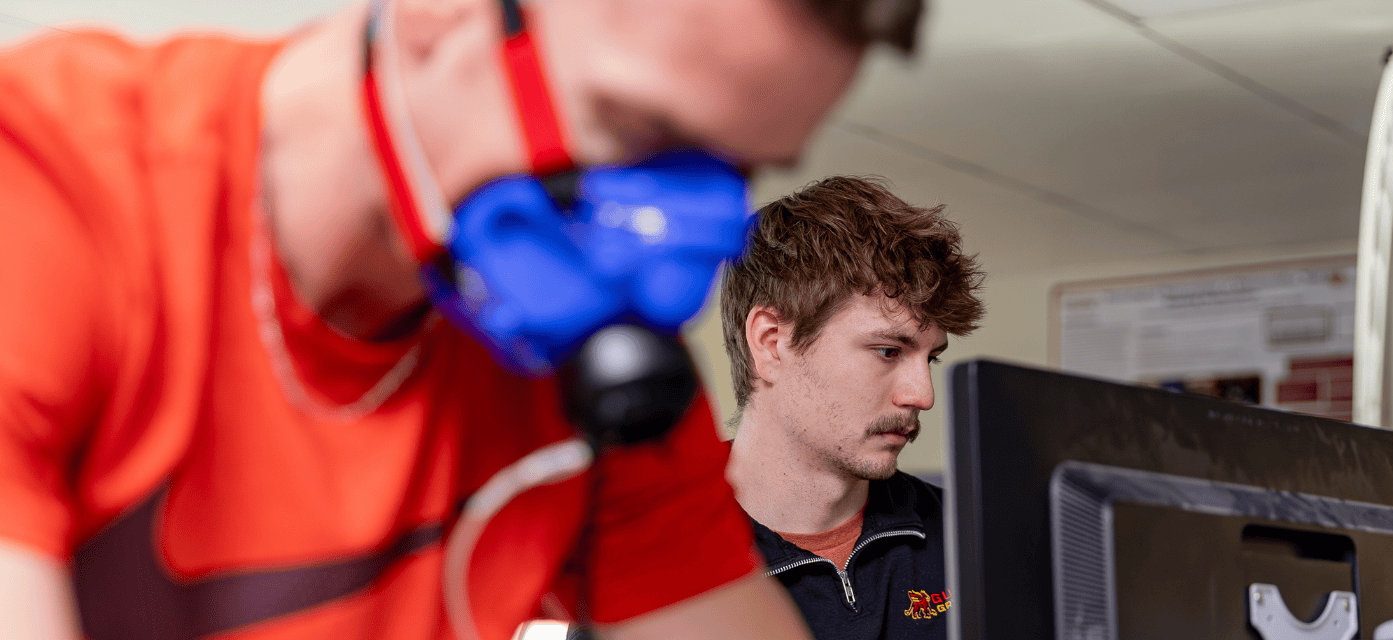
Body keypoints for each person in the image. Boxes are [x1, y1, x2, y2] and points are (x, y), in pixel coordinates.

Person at [0, 0, 927, 638]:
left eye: (731, 171)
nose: (664, 250)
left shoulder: (591, 364)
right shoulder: (49, 181)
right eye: (638, 132)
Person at [720, 176, 985, 639]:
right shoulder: (647, 559)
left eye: (931, 358)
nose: (923, 395)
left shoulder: (972, 538)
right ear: (771, 343)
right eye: (888, 351)